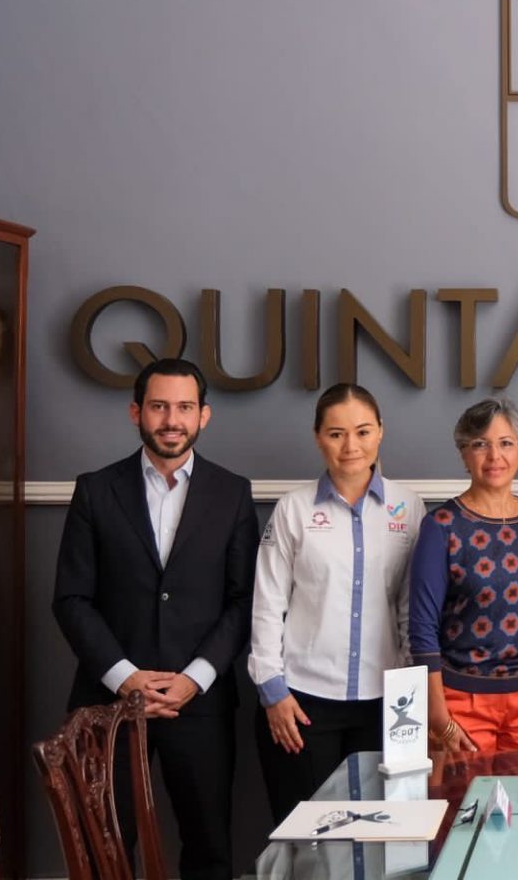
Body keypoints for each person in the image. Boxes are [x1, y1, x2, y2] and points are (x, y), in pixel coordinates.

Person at [52, 358, 259, 880]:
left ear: (203, 415)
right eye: (159, 406)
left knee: (209, 851)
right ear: (136, 412)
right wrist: (125, 678)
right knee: (106, 850)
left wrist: (195, 678)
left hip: (201, 705)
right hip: (109, 706)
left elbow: (244, 601)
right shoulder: (95, 489)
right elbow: (72, 599)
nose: (172, 419)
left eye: (184, 407)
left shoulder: (232, 492)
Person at [248, 383, 426, 824]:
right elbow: (267, 603)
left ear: (380, 431)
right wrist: (272, 691)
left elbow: (412, 607)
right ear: (318, 437)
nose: (351, 446)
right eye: (336, 433)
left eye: (363, 431)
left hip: (387, 704)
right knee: (309, 834)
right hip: (303, 702)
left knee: (385, 832)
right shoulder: (293, 509)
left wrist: (412, 691)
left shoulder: (408, 507)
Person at [410, 397, 518, 754]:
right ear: (464, 454)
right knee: (463, 793)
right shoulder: (441, 526)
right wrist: (437, 715)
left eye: (506, 443)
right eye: (480, 444)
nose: (494, 456)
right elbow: (422, 628)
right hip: (461, 702)